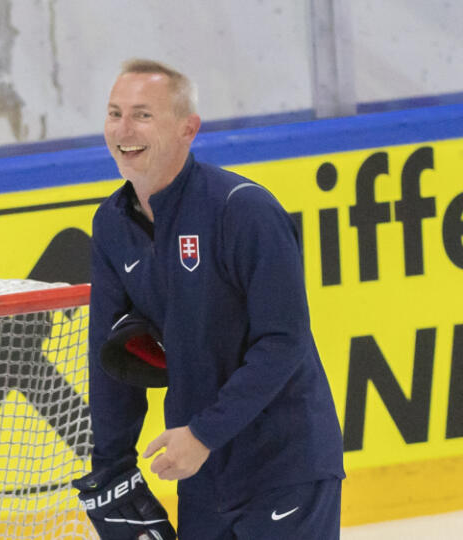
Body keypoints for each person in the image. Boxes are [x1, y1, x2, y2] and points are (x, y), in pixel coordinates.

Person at [72, 59, 345, 539]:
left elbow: (282, 341)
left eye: (142, 115)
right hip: (200, 476)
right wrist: (110, 468)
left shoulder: (243, 210)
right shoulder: (111, 226)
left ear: (188, 129)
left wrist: (203, 434)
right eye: (115, 113)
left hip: (285, 465)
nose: (123, 129)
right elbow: (110, 358)